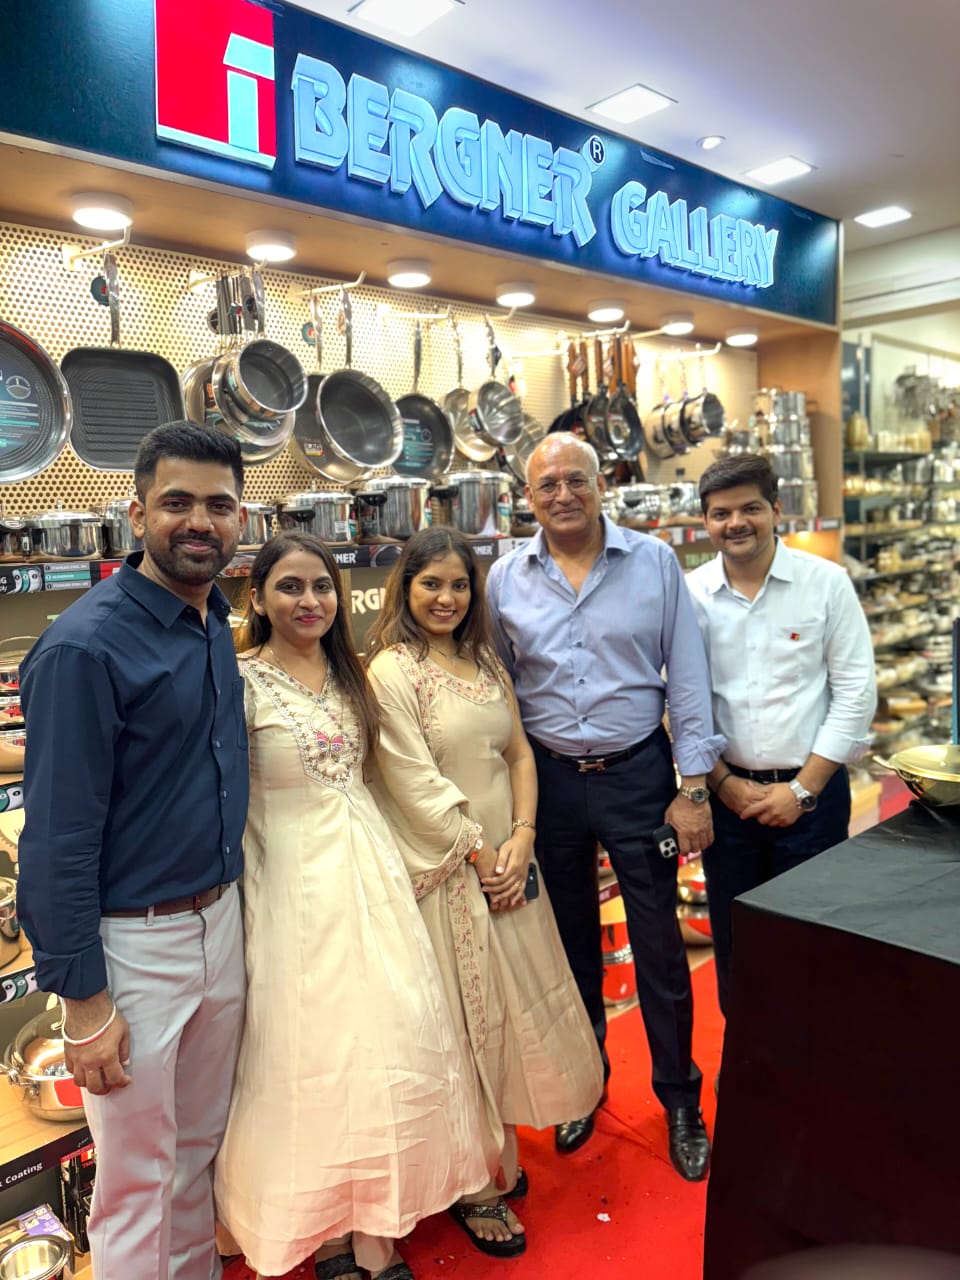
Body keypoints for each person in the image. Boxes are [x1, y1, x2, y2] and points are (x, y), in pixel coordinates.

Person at [214, 531, 491, 1280]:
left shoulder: (353, 676)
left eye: (321, 587)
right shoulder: (238, 681)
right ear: (257, 597)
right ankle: (326, 1235)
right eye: (290, 587)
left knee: (386, 1048)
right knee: (308, 1057)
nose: (309, 601)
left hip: (371, 880)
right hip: (288, 888)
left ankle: (377, 1228)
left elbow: (386, 777)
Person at [16, 421, 250, 1280]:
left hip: (219, 923)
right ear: (138, 513)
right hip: (135, 949)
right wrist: (84, 1004)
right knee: (136, 1183)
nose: (200, 522)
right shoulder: (86, 646)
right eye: (177, 502)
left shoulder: (211, 620)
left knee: (195, 1155)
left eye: (219, 505)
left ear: (241, 519)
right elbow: (57, 838)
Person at [485, 432, 724, 1183]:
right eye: (547, 484)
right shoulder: (504, 579)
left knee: (659, 948)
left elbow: (687, 677)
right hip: (550, 782)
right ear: (528, 497)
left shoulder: (653, 562)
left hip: (638, 778)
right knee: (567, 947)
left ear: (601, 486)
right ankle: (583, 1085)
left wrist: (692, 787)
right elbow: (499, 691)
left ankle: (680, 1100)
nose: (562, 495)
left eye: (576, 480)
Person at [365, 527, 604, 1257]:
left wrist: (522, 838)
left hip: (507, 862)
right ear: (405, 588)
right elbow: (411, 781)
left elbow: (519, 753)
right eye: (431, 584)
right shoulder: (392, 671)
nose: (446, 598)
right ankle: (475, 1188)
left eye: (459, 584)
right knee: (465, 1026)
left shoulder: (485, 661)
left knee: (516, 1013)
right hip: (448, 872)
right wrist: (480, 853)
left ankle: (496, 1157)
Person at [686, 453, 876, 1019]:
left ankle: (815, 1062)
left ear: (776, 509)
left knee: (812, 940)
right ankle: (747, 1061)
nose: (735, 523)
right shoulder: (690, 594)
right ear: (705, 521)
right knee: (738, 945)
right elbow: (681, 703)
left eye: (750, 508)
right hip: (729, 806)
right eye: (720, 513)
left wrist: (801, 790)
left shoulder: (826, 584)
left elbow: (856, 694)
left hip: (813, 801)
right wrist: (723, 785)